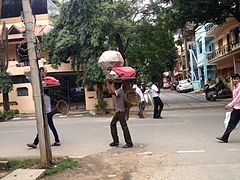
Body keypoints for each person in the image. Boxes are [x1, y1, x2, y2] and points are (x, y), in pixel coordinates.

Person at [105, 79, 133, 148]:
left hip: (120, 112)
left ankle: (128, 143)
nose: (114, 86)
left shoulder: (119, 91)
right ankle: (116, 141)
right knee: (113, 124)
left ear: (117, 85)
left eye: (114, 85)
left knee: (124, 127)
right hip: (119, 112)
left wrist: (107, 83)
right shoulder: (121, 91)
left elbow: (111, 92)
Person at [216, 74, 240, 143]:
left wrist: (229, 105)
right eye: (234, 79)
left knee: (231, 123)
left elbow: (238, 98)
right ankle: (225, 137)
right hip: (237, 108)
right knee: (231, 123)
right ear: (232, 80)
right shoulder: (235, 87)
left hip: (238, 109)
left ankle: (225, 137)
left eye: (237, 79)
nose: (236, 80)